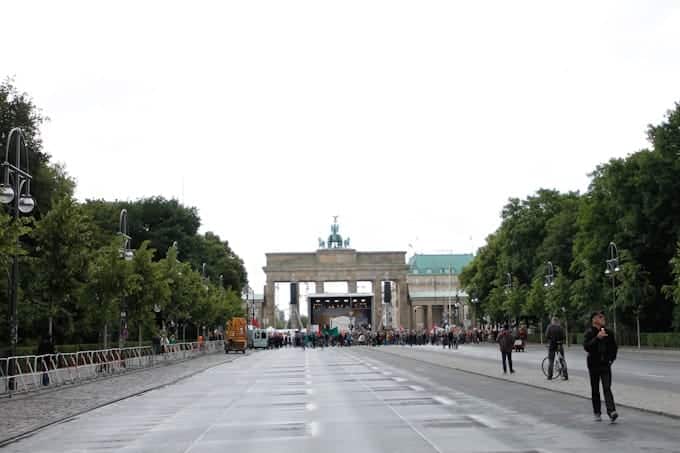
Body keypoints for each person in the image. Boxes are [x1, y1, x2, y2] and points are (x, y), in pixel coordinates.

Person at [583, 311, 618, 423]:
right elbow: (587, 347)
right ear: (594, 320)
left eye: (603, 317)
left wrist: (611, 359)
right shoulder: (589, 333)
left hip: (605, 365)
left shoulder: (608, 332)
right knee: (595, 389)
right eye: (600, 317)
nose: (603, 318)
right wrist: (597, 338)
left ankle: (611, 411)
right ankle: (597, 412)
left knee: (607, 388)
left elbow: (614, 347)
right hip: (593, 365)